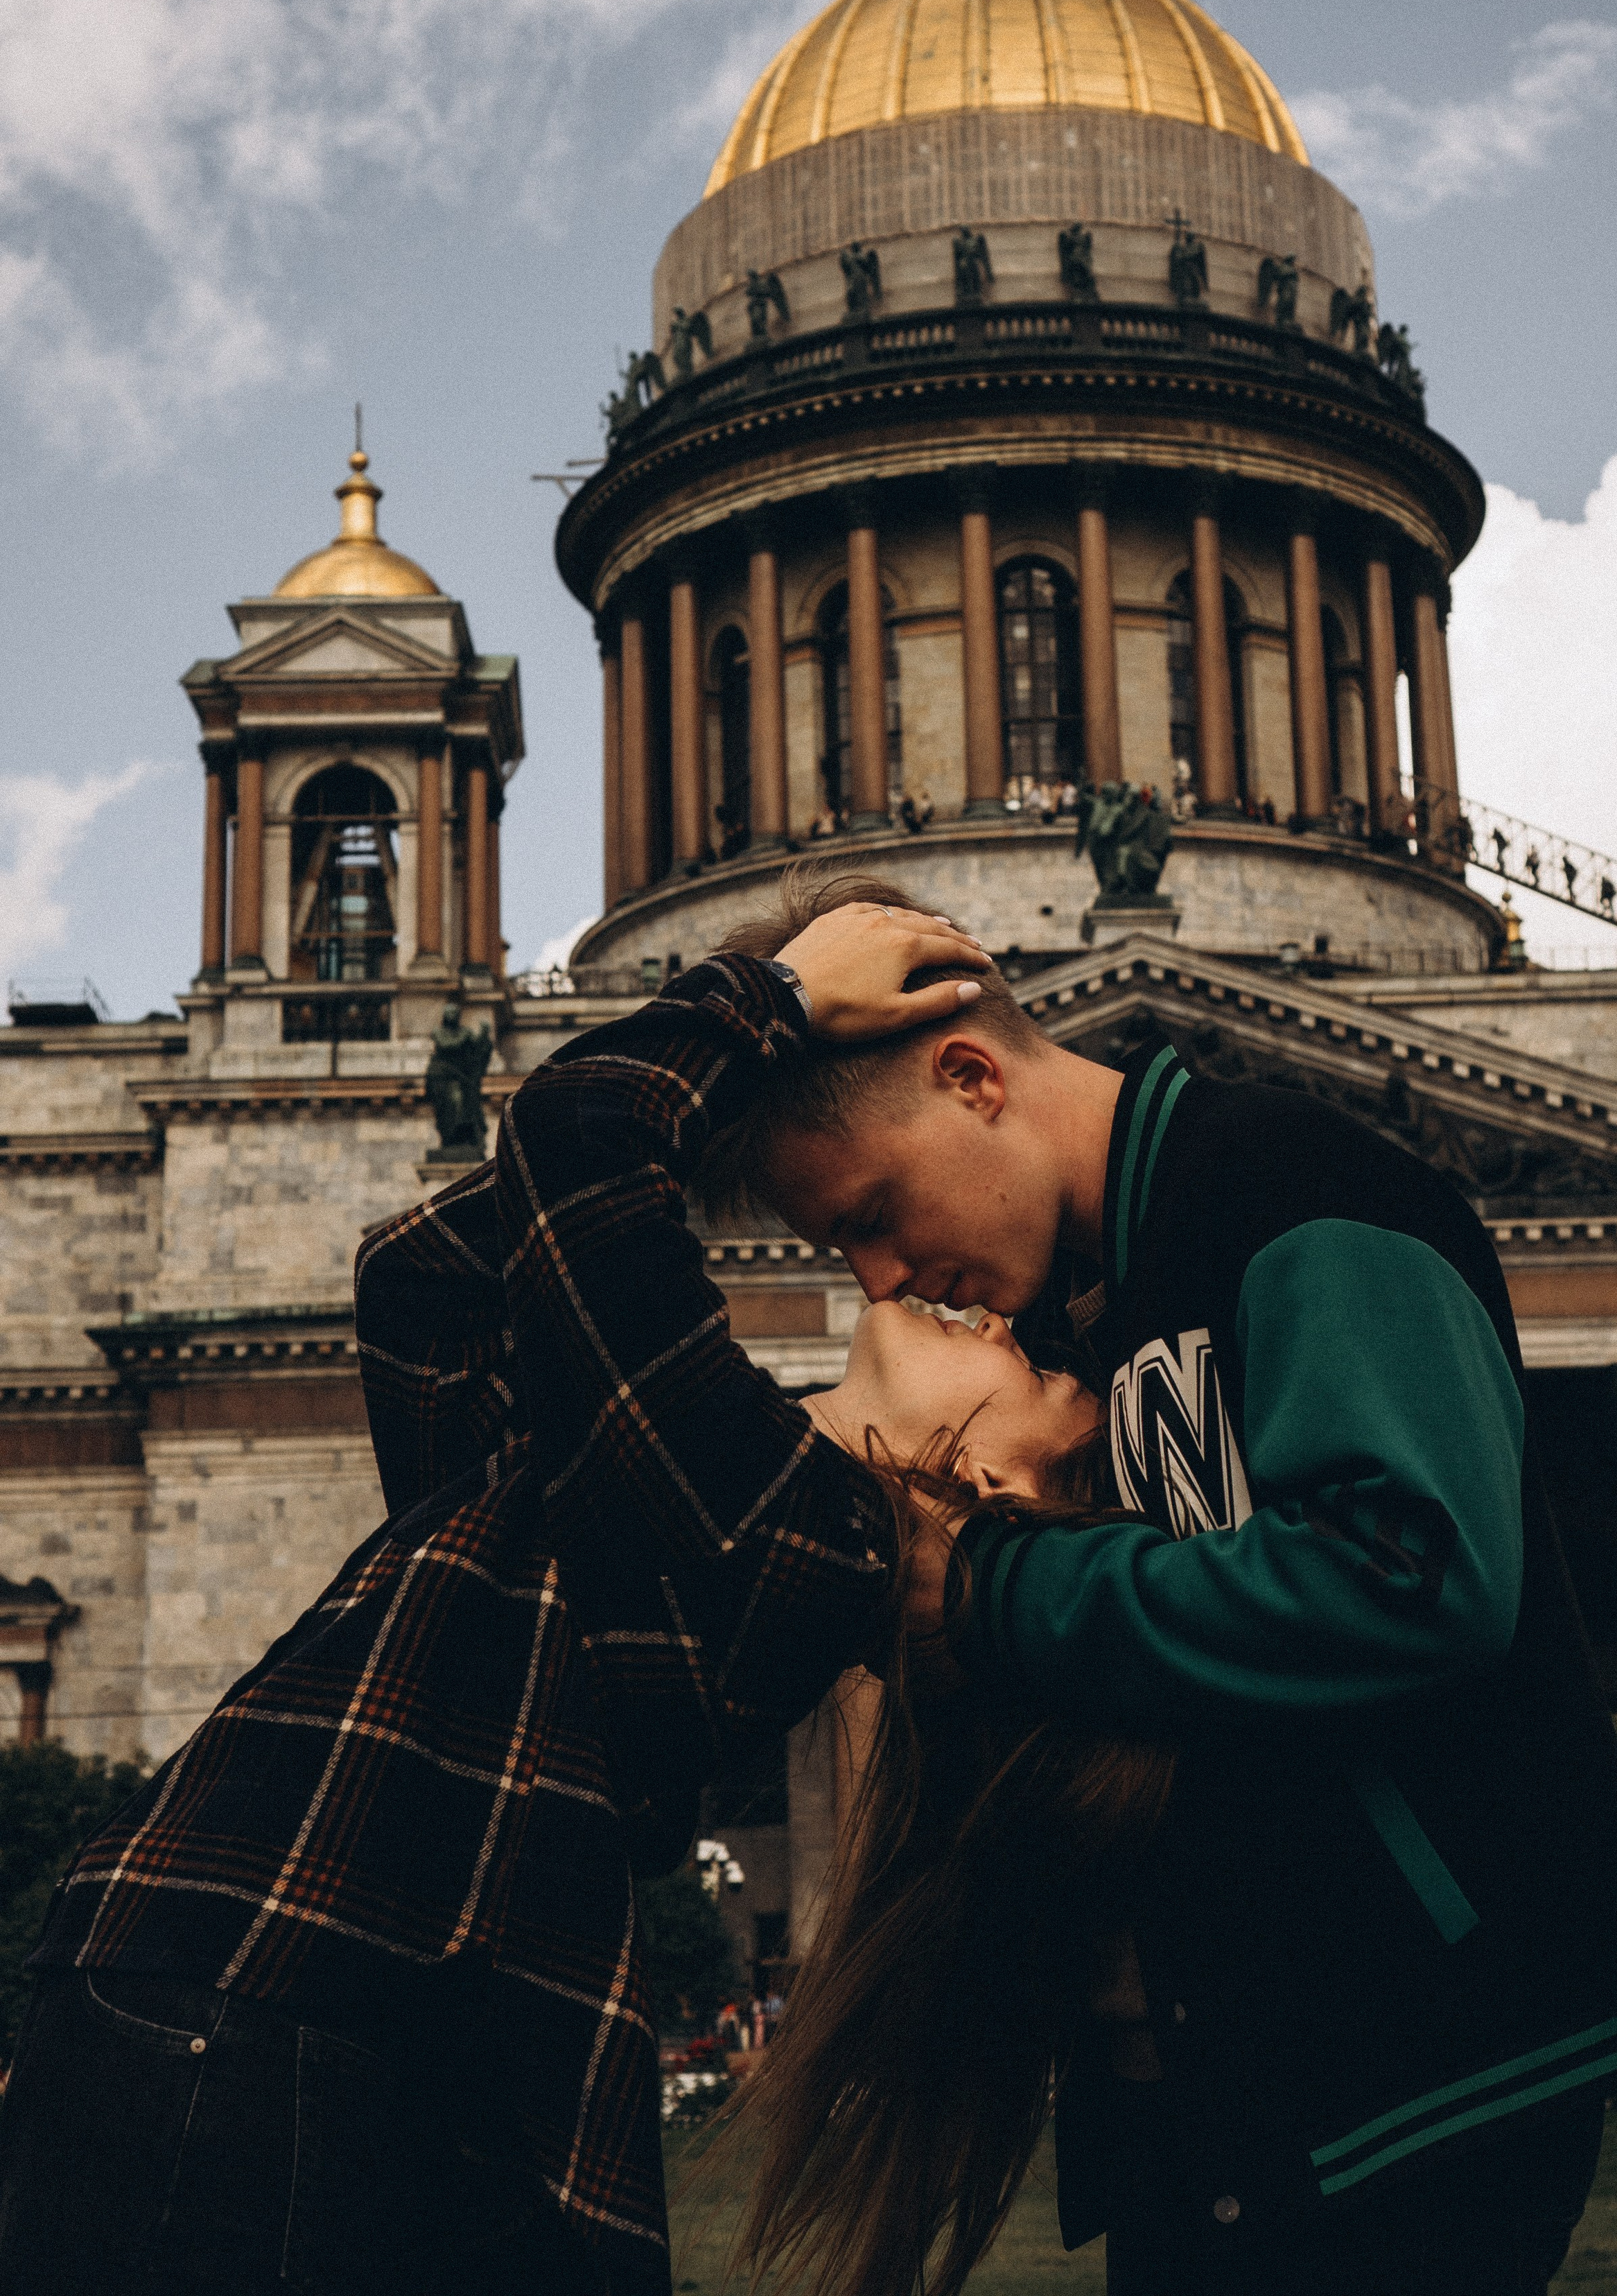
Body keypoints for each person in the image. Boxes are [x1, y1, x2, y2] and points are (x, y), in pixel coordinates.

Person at [701, 867, 1617, 2296]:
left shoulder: (1294, 1188)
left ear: (970, 1073)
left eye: (871, 1213)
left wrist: (987, 1588)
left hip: (1416, 2066)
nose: (877, 1279)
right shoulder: (1065, 1323)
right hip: (1223, 2101)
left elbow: (1412, 1576)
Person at [0, 903, 1006, 2296]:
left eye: (1013, 1357)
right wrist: (736, 1129)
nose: (965, 1300)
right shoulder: (655, 1475)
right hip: (208, 1989)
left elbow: (579, 1145)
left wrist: (762, 1005)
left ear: (957, 1480)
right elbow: (423, 1278)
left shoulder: (799, 1541)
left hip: (259, 1999)